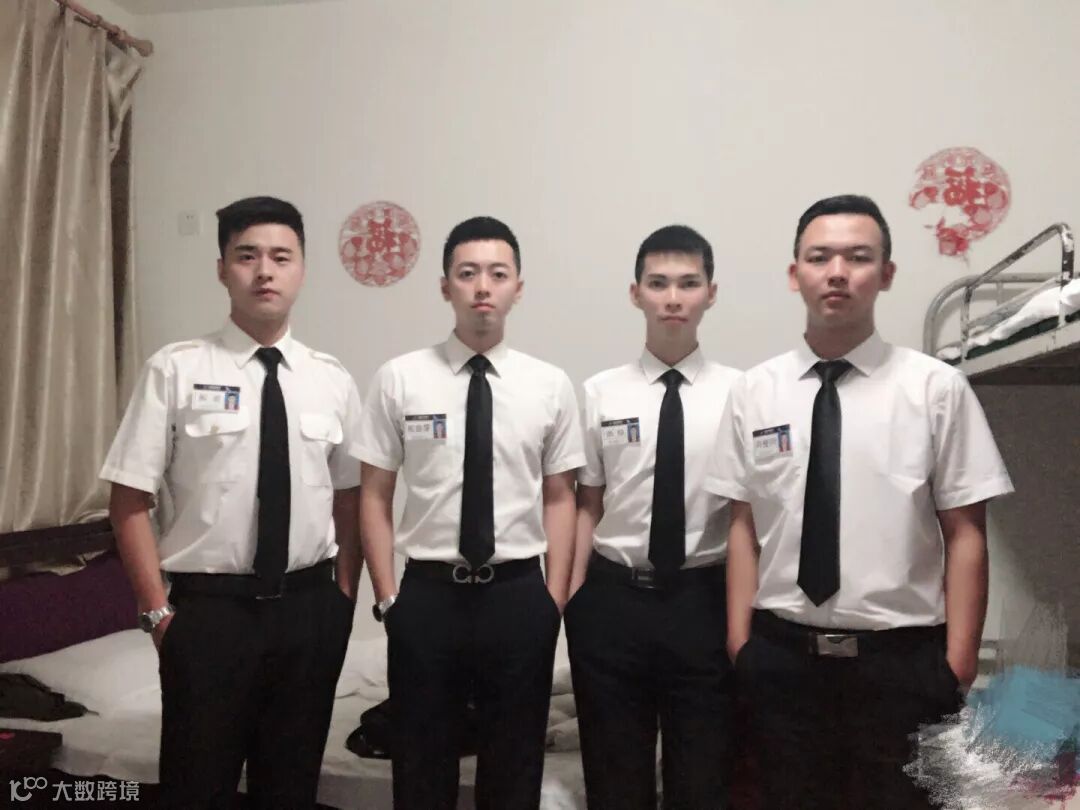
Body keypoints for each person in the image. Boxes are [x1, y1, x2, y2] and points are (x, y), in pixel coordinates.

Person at [707, 194, 1013, 809]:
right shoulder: (754, 392)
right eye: (820, 257)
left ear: (887, 273)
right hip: (782, 659)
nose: (838, 272)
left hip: (902, 663)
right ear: (795, 273)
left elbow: (966, 532)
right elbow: (743, 524)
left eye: (858, 257)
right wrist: (742, 644)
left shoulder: (936, 389)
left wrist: (957, 664)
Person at [102, 196, 363, 809]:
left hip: (308, 611)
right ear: (222, 269)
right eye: (247, 256)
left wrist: (343, 600)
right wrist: (157, 614)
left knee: (291, 787)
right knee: (198, 785)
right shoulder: (175, 370)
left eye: (281, 257)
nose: (264, 271)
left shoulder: (331, 379)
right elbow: (128, 500)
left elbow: (350, 498)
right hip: (210, 615)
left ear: (302, 269)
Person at [357, 216, 584, 809]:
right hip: (427, 596)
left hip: (517, 595)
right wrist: (388, 598)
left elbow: (560, 496)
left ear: (517, 288)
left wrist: (553, 598)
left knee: (513, 765)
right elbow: (374, 494)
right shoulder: (400, 379)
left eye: (497, 274)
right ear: (445, 286)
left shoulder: (549, 385)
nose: (483, 286)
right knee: (421, 764)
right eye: (467, 273)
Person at [567, 225, 740, 808]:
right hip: (613, 599)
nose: (672, 298)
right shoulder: (600, 392)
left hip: (703, 599)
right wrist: (574, 600)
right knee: (614, 775)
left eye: (688, 284)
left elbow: (750, 514)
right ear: (635, 292)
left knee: (703, 774)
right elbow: (588, 501)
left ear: (710, 293)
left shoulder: (742, 393)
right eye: (658, 283)